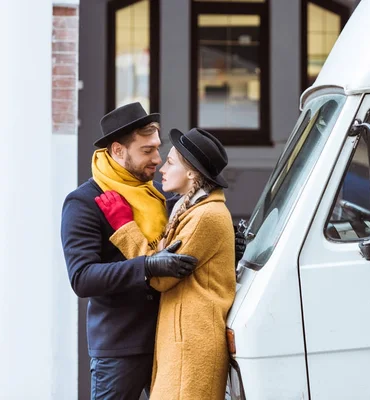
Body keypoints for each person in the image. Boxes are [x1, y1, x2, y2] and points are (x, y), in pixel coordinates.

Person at [61, 103, 244, 399]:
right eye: (147, 151)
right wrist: (146, 267)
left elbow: (190, 242)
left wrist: (228, 247)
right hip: (121, 349)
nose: (157, 160)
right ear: (119, 151)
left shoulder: (161, 197)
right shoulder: (84, 202)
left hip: (168, 340)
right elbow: (82, 278)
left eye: (158, 150)